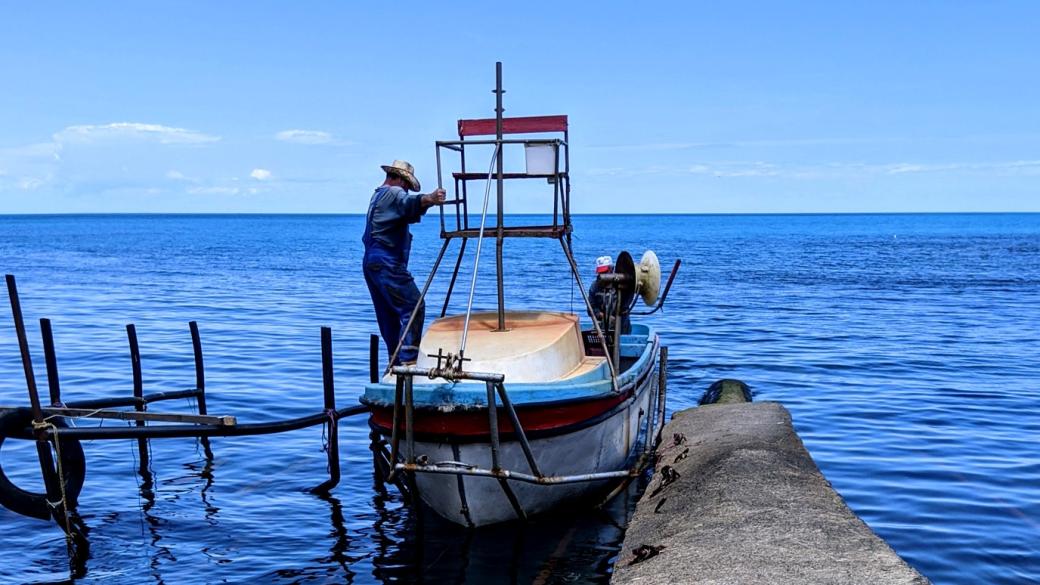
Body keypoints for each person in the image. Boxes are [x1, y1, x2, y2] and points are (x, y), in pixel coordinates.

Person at [362, 160, 445, 365]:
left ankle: (394, 360)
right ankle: (408, 361)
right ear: (397, 178)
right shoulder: (394, 193)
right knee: (414, 306)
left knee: (388, 313)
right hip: (386, 261)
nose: (406, 189)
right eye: (406, 183)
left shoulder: (377, 196)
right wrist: (431, 199)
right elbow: (409, 204)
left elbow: (405, 211)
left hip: (371, 262)